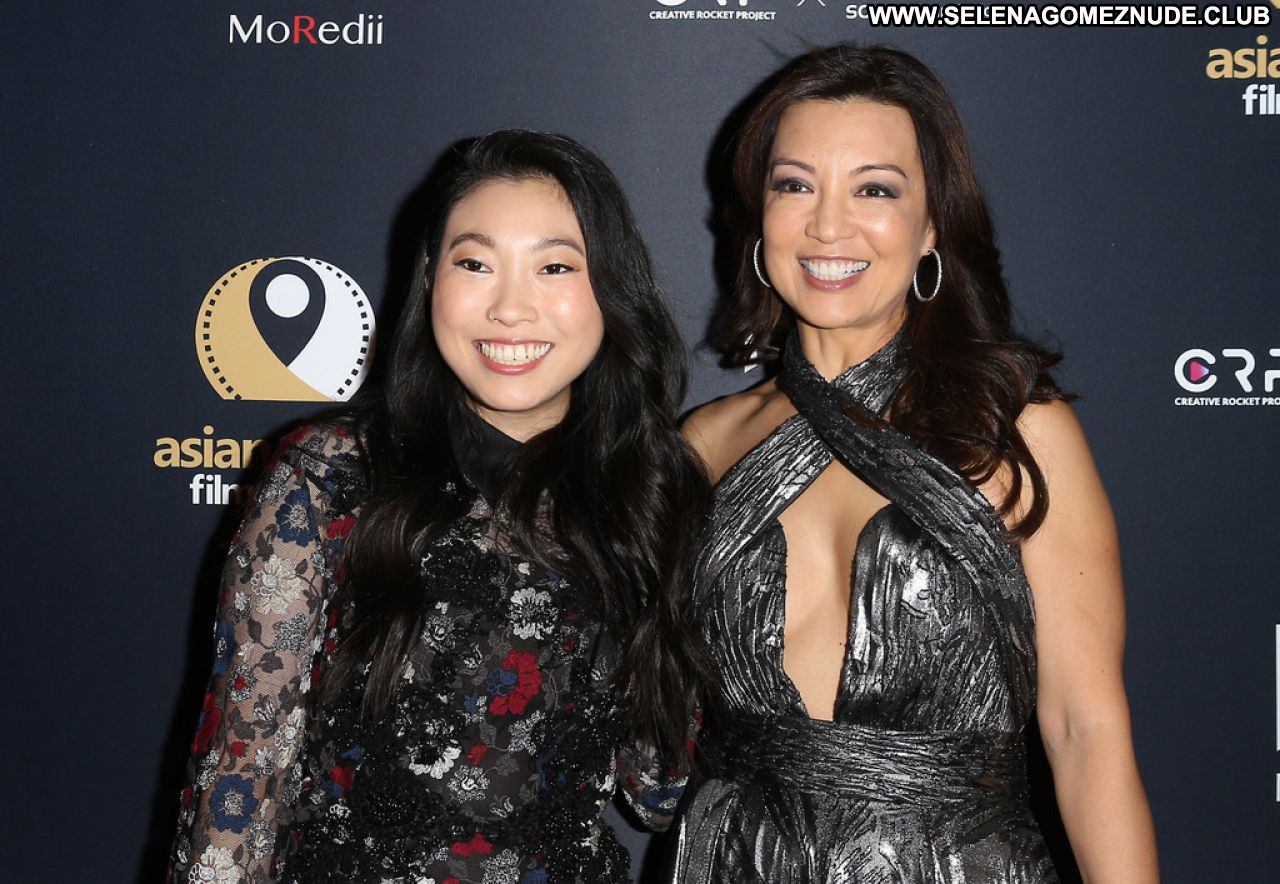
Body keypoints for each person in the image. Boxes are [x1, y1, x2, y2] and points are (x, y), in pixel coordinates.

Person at [168, 130, 715, 883]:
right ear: (430, 280)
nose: (511, 308)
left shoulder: (654, 495)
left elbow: (657, 790)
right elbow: (241, 774)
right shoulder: (332, 476)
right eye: (475, 264)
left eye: (555, 266)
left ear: (612, 291)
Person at [676, 45, 1158, 882]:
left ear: (933, 223)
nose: (829, 226)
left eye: (875, 190)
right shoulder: (704, 444)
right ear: (759, 216)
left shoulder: (1016, 432)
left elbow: (1086, 731)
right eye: (795, 186)